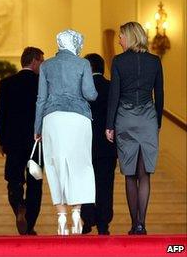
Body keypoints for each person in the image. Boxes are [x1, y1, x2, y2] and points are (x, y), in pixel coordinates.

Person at [34, 29, 98, 235]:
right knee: (79, 164)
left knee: (55, 165)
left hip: (52, 119)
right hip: (78, 119)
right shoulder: (83, 64)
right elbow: (90, 93)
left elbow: (41, 99)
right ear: (76, 43)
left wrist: (37, 128)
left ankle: (61, 218)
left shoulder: (46, 65)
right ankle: (76, 214)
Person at [106, 22, 164, 235]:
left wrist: (109, 125)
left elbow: (114, 94)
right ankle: (142, 223)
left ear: (129, 37)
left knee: (130, 174)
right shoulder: (155, 61)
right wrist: (156, 123)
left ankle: (134, 225)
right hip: (148, 117)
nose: (119, 39)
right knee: (145, 174)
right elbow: (160, 94)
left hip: (125, 117)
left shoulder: (119, 61)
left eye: (121, 36)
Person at [0, 46, 44, 235]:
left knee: (14, 180)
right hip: (36, 144)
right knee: (35, 183)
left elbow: (1, 114)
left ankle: (19, 207)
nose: (43, 65)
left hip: (13, 143)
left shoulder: (7, 83)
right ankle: (29, 225)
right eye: (41, 61)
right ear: (34, 61)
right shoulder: (42, 83)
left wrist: (1, 141)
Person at [81, 53, 117, 235]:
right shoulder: (112, 87)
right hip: (107, 146)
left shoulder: (80, 89)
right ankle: (103, 224)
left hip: (84, 145)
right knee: (105, 184)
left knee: (85, 183)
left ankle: (87, 219)